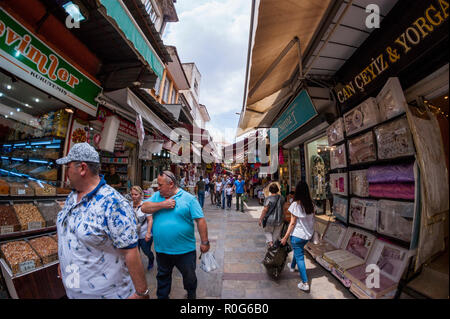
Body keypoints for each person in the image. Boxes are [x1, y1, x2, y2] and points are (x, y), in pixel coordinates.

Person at [55, 143, 149, 299]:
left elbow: (131, 251)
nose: (66, 172)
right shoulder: (72, 196)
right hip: (74, 289)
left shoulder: (113, 203)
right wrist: (64, 260)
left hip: (107, 294)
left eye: (68, 167)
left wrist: (141, 292)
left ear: (82, 168)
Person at [141, 170, 210, 299]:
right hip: (162, 250)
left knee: (189, 277)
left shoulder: (188, 199)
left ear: (171, 184)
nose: (158, 188)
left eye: (160, 185)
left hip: (185, 251)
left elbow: (200, 220)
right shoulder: (157, 196)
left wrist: (205, 242)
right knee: (162, 277)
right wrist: (162, 205)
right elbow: (144, 207)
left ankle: (191, 295)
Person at [281, 181, 315, 292]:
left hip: (297, 235)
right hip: (307, 235)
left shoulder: (296, 205)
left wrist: (285, 237)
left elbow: (292, 223)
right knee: (298, 251)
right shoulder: (311, 204)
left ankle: (305, 283)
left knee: (300, 256)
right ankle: (292, 267)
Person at [131, 186, 154, 270]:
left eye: (136, 194)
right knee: (135, 252)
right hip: (134, 235)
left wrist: (148, 233)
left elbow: (150, 220)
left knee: (146, 251)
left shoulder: (145, 205)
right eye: (132, 194)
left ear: (141, 195)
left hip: (144, 234)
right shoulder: (129, 205)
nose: (133, 196)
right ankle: (137, 267)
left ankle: (151, 259)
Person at [258, 183, 285, 248]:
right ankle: (273, 247)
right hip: (279, 220)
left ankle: (271, 244)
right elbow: (283, 209)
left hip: (269, 220)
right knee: (275, 235)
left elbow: (265, 210)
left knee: (267, 232)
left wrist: (260, 219)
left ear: (270, 190)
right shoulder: (282, 198)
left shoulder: (268, 198)